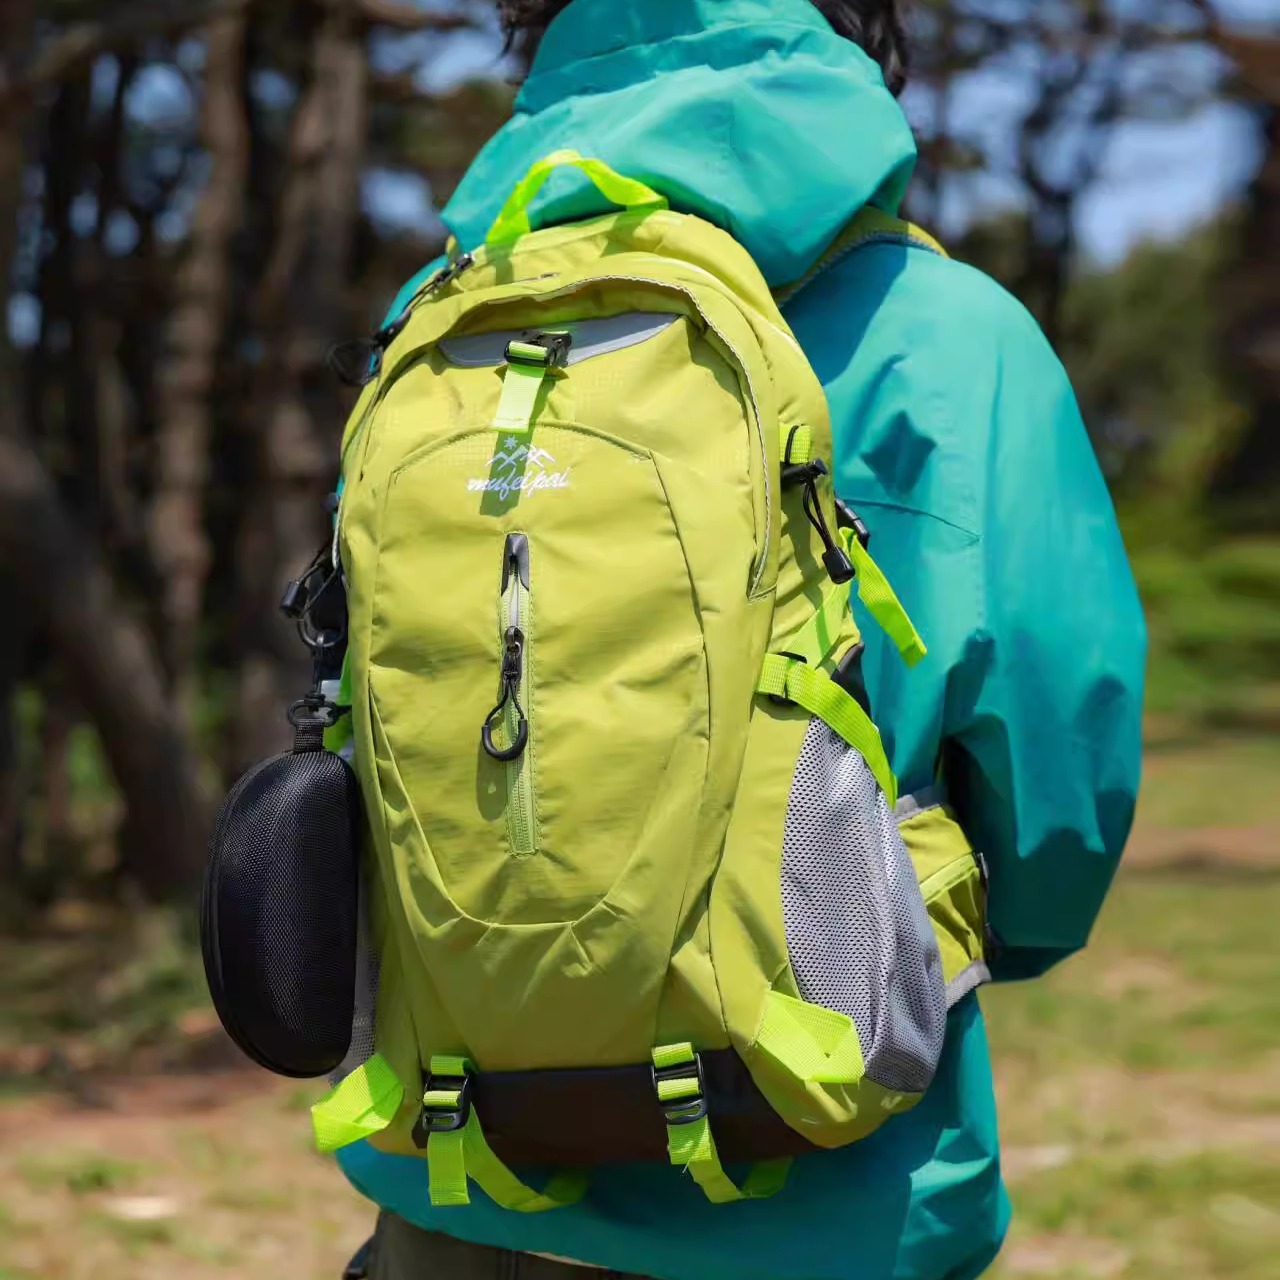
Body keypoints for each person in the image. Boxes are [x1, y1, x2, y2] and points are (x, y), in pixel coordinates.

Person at [338, 1, 1146, 1277]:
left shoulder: (433, 321)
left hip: (464, 1180)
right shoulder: (949, 333)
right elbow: (1057, 802)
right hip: (834, 1180)